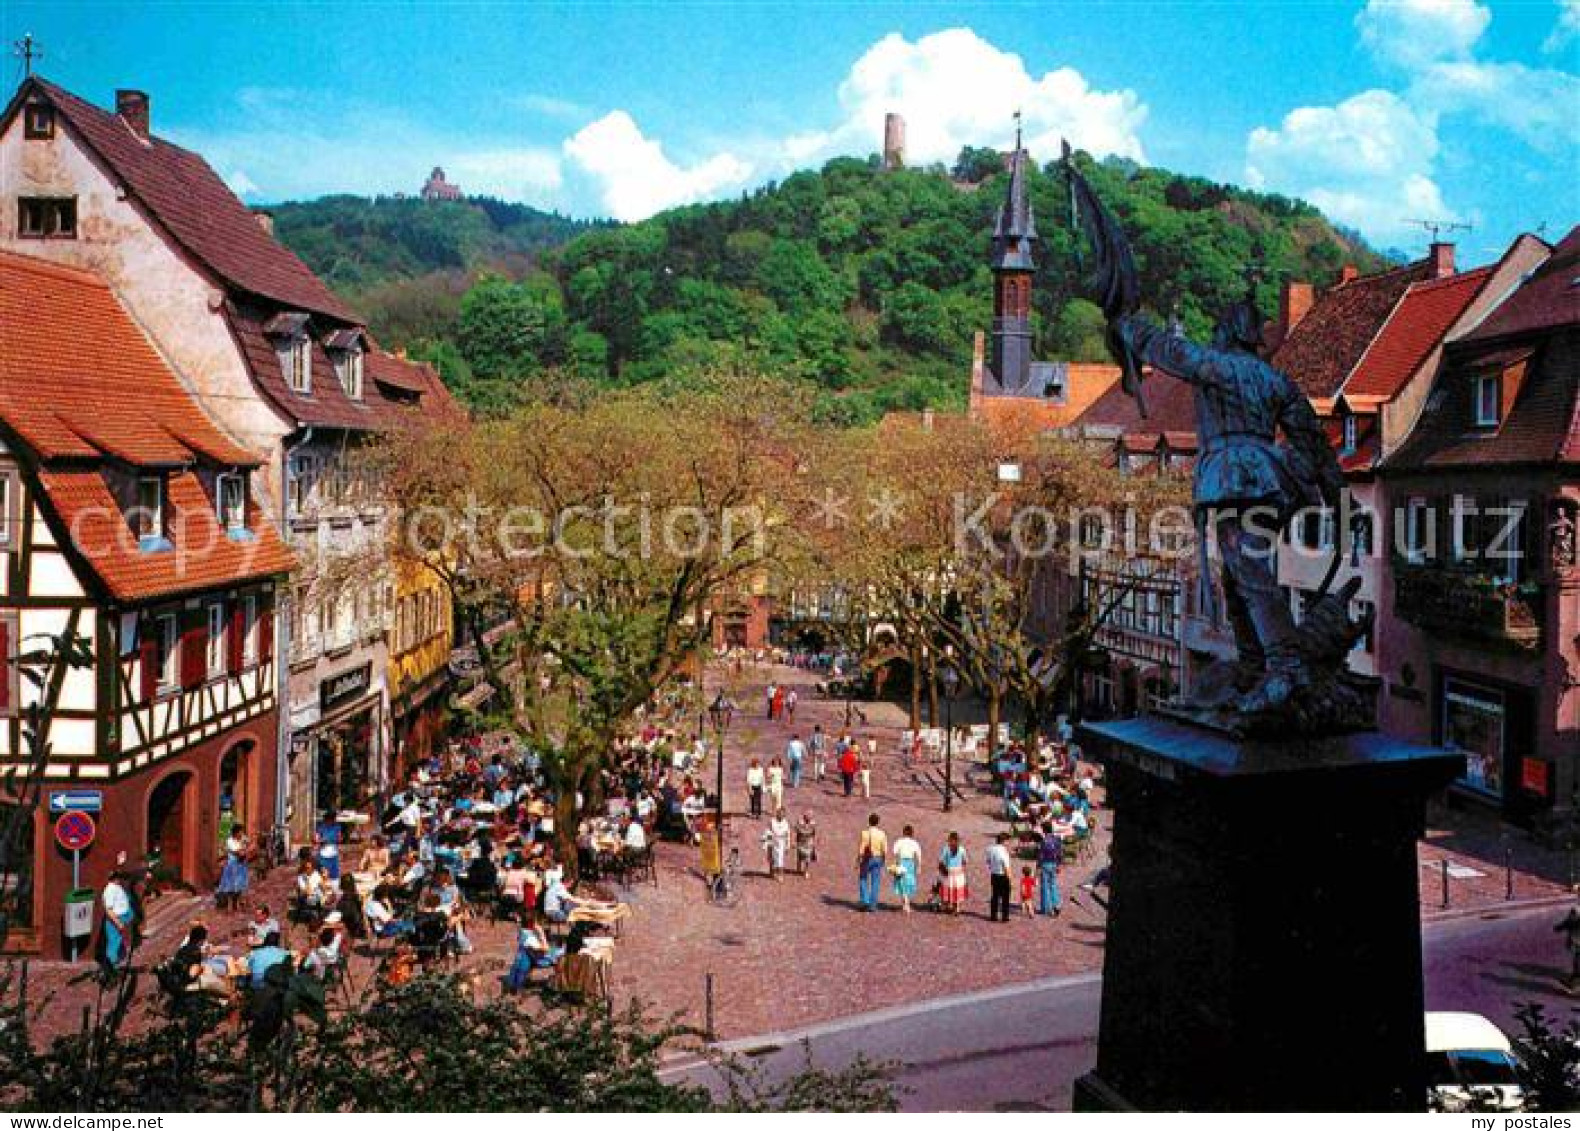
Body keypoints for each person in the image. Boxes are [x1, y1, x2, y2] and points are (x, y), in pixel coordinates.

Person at [505, 911, 562, 990]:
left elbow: (519, 921)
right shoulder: (530, 938)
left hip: (530, 955)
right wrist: (541, 934)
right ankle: (561, 979)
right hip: (539, 958)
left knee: (557, 950)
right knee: (562, 952)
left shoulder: (522, 931)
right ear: (532, 922)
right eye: (535, 920)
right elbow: (546, 948)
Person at [99, 870, 134, 979]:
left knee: (117, 944)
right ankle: (109, 971)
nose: (121, 879)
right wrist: (118, 922)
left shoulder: (116, 887)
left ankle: (112, 968)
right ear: (115, 878)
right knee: (113, 945)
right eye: (119, 877)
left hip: (120, 919)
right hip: (114, 921)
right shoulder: (109, 890)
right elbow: (108, 910)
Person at [857, 813, 888, 912]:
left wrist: (858, 858)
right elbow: (885, 850)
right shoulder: (882, 834)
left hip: (867, 858)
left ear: (869, 821)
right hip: (878, 858)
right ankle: (873, 904)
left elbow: (861, 849)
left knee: (863, 878)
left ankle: (865, 900)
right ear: (878, 822)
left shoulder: (864, 833)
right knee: (876, 881)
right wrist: (883, 859)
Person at [216, 827, 250, 911]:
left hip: (241, 866)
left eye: (242, 832)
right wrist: (243, 848)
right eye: (240, 832)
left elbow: (248, 844)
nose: (241, 834)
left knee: (240, 885)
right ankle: (230, 904)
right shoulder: (230, 841)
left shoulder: (242, 838)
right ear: (235, 833)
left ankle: (238, 903)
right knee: (230, 885)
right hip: (232, 865)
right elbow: (236, 852)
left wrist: (244, 847)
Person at [891, 825, 922, 914]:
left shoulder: (899, 841)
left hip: (901, 862)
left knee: (901, 883)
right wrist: (919, 866)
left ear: (903, 832)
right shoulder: (914, 843)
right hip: (910, 863)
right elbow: (918, 855)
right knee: (909, 883)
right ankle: (906, 904)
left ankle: (906, 904)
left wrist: (895, 864)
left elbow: (895, 853)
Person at [1036, 824, 1064, 918]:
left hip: (1045, 864)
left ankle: (1045, 908)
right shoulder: (1057, 839)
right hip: (1054, 864)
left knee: (1044, 886)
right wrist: (1059, 864)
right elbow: (1060, 852)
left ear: (1044, 830)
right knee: (1053, 885)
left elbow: (1040, 855)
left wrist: (1037, 867)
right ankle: (1056, 905)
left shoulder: (1044, 841)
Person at [939, 833, 969, 915]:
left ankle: (949, 905)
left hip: (949, 871)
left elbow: (941, 861)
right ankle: (957, 908)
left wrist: (943, 869)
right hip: (958, 872)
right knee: (957, 890)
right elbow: (965, 861)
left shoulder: (946, 849)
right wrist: (962, 868)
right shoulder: (962, 849)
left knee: (949, 889)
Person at [986, 833, 1013, 923]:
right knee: (1005, 897)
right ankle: (1004, 916)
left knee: (995, 896)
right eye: (1008, 841)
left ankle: (993, 916)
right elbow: (1006, 866)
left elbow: (988, 861)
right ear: (1004, 841)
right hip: (1003, 875)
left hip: (994, 874)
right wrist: (1010, 879)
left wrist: (992, 868)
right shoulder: (1003, 852)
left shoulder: (990, 849)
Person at [1556, 891, 1580, 989]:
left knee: (1578, 963)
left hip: (1577, 941)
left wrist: (1558, 928)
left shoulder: (1576, 911)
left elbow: (1568, 922)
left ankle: (1574, 984)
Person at [762, 810, 790, 880]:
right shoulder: (772, 821)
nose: (781, 816)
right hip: (772, 841)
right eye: (779, 814)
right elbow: (767, 831)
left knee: (780, 859)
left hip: (781, 842)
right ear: (777, 814)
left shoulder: (785, 823)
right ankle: (772, 872)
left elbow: (787, 835)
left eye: (783, 815)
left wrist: (787, 845)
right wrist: (767, 839)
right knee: (771, 857)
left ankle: (780, 874)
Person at [314, 810, 342, 881]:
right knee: (323, 875)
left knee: (334, 876)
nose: (333, 821)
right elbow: (316, 839)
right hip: (323, 854)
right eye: (332, 819)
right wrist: (322, 841)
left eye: (334, 819)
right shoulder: (321, 827)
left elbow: (339, 839)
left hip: (333, 854)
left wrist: (335, 840)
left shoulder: (337, 827)